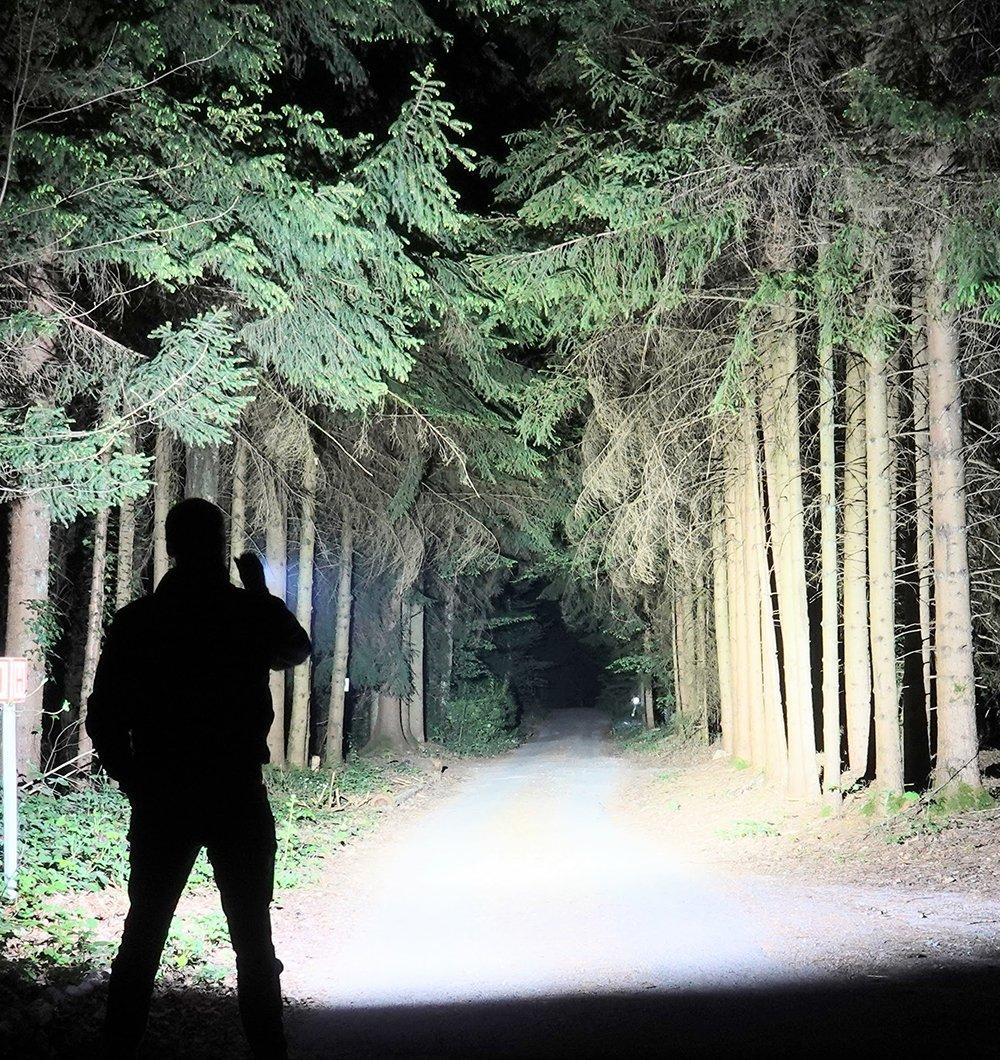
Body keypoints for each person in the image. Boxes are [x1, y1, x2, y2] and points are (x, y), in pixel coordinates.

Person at [86, 497, 311, 1058]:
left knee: (142, 938)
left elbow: (103, 716)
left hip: (164, 796)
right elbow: (294, 648)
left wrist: (134, 781)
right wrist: (258, 592)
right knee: (253, 941)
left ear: (170, 546)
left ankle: (117, 1051)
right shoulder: (243, 612)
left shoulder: (140, 621)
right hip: (235, 792)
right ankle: (270, 1052)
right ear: (218, 545)